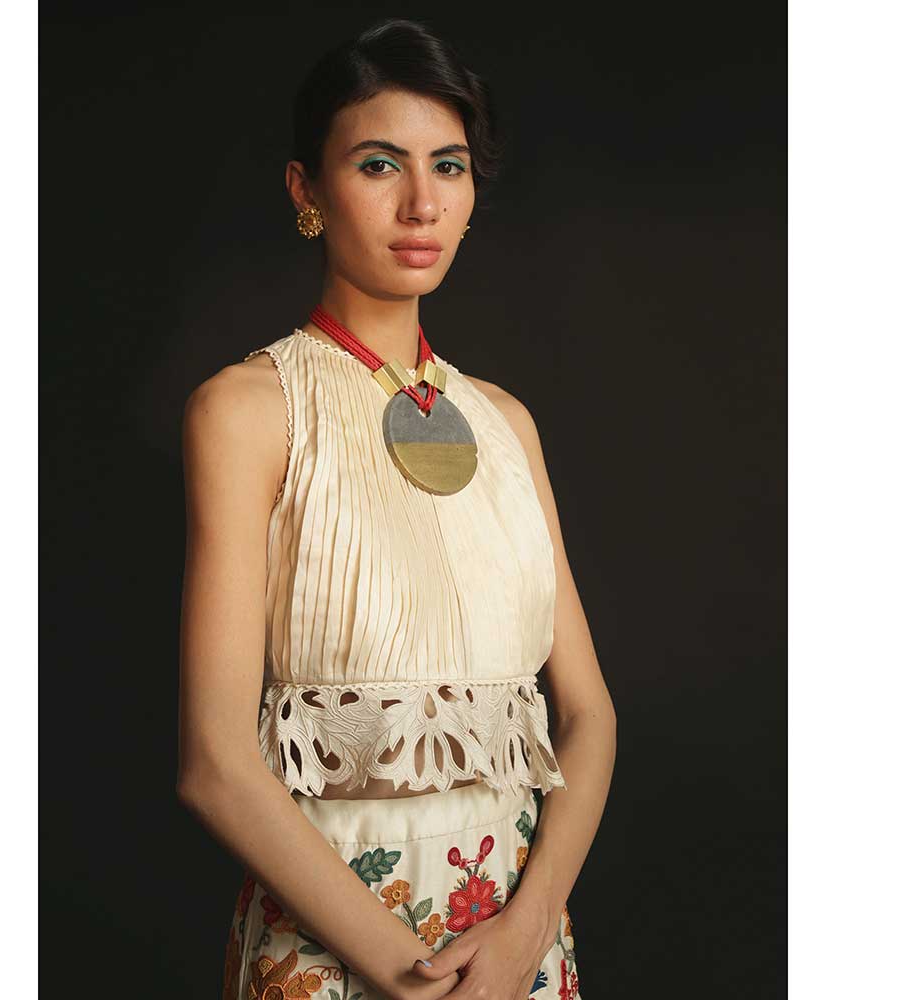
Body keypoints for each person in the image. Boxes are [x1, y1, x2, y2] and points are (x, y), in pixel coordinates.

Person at [176, 17, 617, 1000]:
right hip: (335, 956)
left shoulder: (506, 423)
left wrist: (524, 934)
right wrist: (419, 982)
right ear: (306, 191)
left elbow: (588, 716)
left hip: (517, 952)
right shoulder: (246, 411)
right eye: (379, 164)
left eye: (448, 166)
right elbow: (214, 762)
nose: (421, 203)